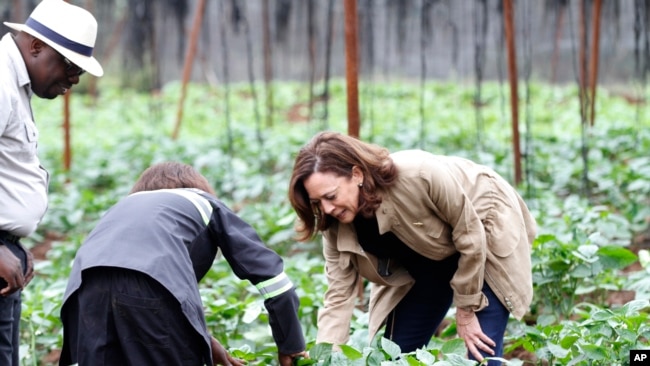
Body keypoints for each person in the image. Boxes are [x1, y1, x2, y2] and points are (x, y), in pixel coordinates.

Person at [288, 131, 536, 365]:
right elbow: (338, 296)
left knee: (480, 352)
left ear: (357, 175)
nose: (327, 209)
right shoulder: (334, 226)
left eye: (331, 196)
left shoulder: (417, 173)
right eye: (316, 202)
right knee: (396, 356)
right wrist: (325, 358)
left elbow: (470, 234)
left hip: (482, 231)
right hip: (427, 259)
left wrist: (466, 310)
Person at [59, 162, 307, 366]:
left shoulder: (121, 209)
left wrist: (207, 343)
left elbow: (124, 284)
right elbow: (276, 284)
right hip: (148, 285)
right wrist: (291, 346)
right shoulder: (203, 201)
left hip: (83, 293)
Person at [0, 0, 102, 364]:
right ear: (36, 46)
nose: (74, 79)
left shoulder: (14, 82)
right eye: (71, 66)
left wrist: (10, 242)